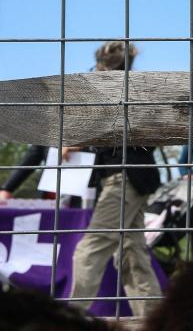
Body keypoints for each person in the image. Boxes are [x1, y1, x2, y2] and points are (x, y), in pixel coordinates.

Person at [69, 41, 162, 318]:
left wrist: (80, 142)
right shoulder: (137, 93)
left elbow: (117, 137)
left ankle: (71, 316)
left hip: (123, 178)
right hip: (137, 177)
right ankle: (154, 318)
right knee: (132, 252)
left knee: (91, 248)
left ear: (102, 67)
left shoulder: (115, 94)